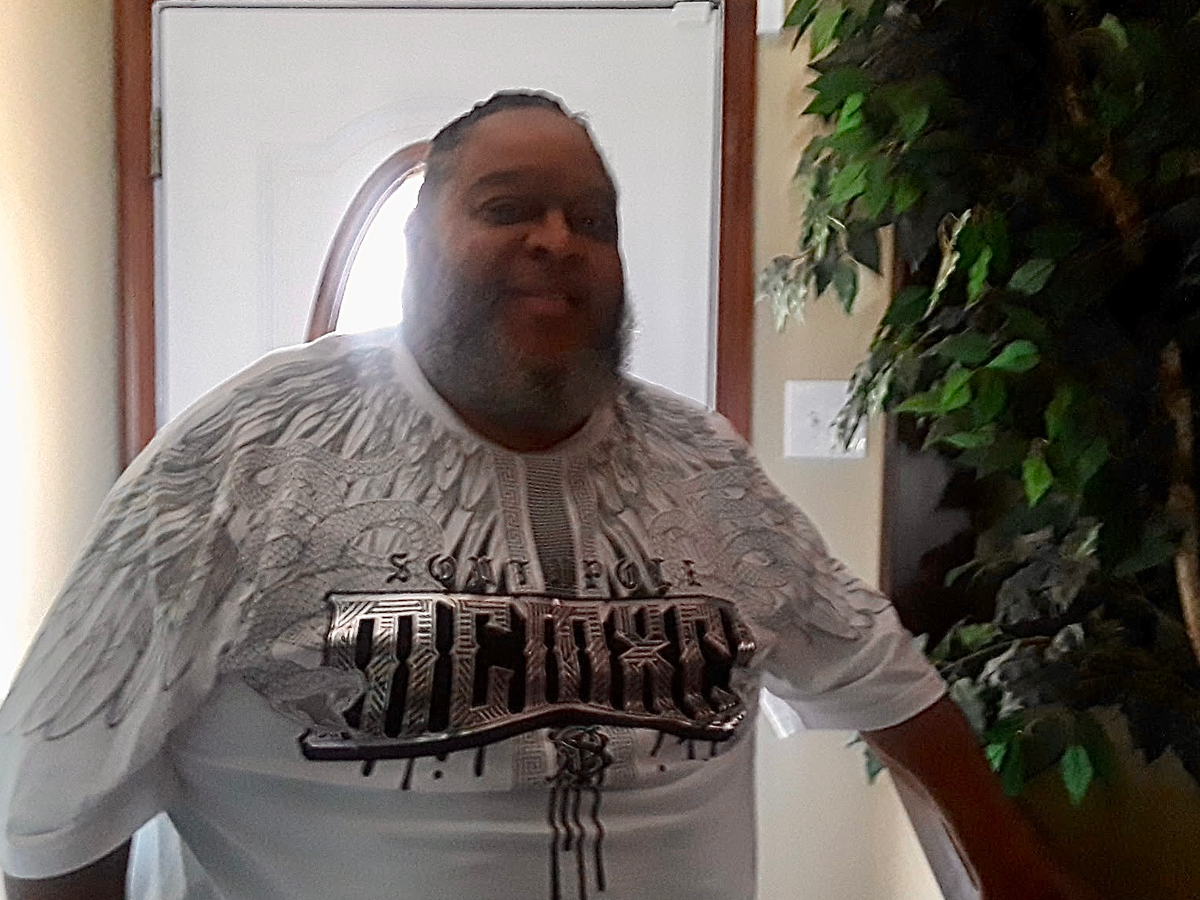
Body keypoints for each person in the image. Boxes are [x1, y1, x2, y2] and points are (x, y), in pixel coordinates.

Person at [1, 92, 1096, 900]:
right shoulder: (237, 460)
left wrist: (1016, 876)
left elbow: (881, 673)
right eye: (507, 207)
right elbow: (51, 808)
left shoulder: (705, 466)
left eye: (593, 220)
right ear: (419, 242)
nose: (557, 242)